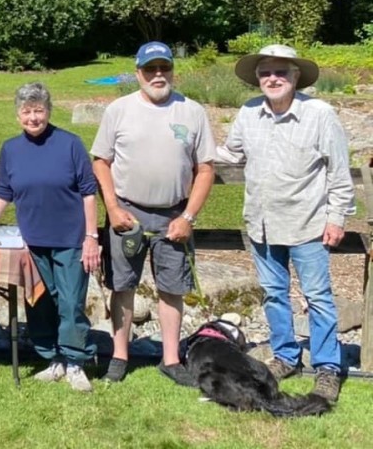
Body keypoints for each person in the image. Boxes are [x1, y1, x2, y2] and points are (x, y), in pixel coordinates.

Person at [218, 44, 353, 403]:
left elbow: (340, 172)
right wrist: (189, 154)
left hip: (307, 222)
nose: (272, 78)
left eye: (281, 72)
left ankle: (327, 367)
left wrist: (337, 217)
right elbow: (230, 153)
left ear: (296, 77)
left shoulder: (320, 114)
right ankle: (285, 356)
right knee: (274, 295)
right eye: (265, 73)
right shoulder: (248, 113)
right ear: (257, 79)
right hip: (261, 223)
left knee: (318, 298)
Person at [0, 83, 101, 392]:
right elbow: (3, 194)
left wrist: (91, 237)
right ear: (17, 114)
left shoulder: (71, 144)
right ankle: (53, 358)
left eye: (38, 110)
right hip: (32, 241)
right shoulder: (11, 149)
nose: (33, 117)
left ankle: (75, 361)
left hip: (71, 240)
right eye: (26, 111)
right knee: (39, 302)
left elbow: (89, 193)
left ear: (48, 111)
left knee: (71, 302)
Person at [90, 41, 215, 386]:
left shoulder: (193, 112)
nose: (158, 75)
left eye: (164, 68)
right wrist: (112, 207)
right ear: (138, 73)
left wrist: (188, 217)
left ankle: (171, 359)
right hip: (127, 215)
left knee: (172, 289)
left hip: (174, 215)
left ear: (173, 70)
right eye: (150, 69)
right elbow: (101, 161)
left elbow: (205, 169)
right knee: (122, 286)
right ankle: (119, 355)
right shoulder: (119, 109)